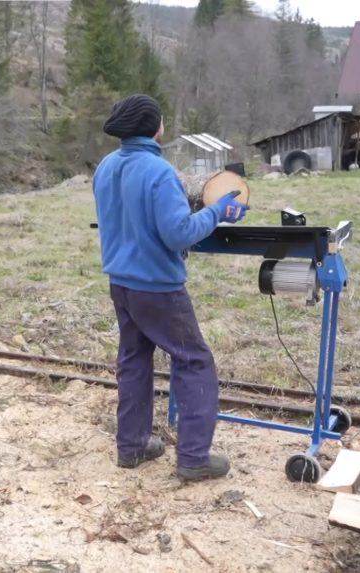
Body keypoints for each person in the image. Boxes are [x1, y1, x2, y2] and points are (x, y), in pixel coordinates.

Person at [92, 94, 247, 481]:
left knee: (134, 360)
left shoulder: (107, 167)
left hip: (121, 284)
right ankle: (194, 458)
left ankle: (131, 447)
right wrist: (218, 212)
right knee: (194, 361)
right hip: (158, 286)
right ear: (155, 127)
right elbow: (179, 234)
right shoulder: (160, 172)